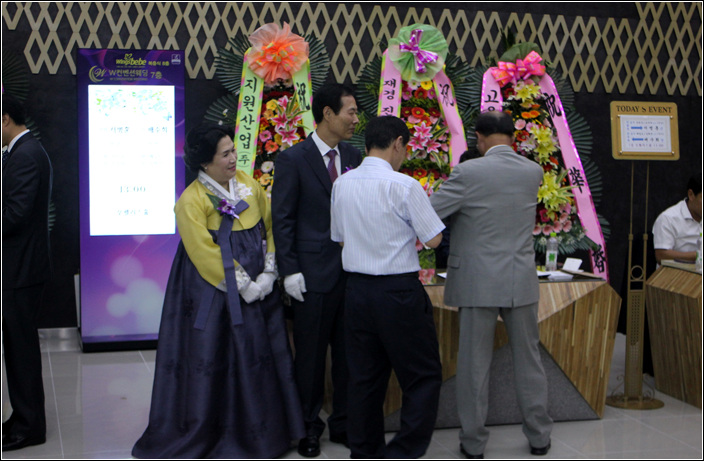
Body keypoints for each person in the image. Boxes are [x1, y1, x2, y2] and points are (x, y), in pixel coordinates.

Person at [132, 123, 304, 459]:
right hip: (212, 291)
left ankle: (268, 432)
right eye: (225, 154)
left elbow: (269, 227)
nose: (233, 159)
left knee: (262, 355)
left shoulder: (248, 185)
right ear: (205, 163)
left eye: (233, 151)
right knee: (216, 354)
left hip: (261, 287)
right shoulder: (191, 201)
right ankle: (217, 432)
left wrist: (269, 271)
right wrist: (243, 285)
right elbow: (203, 252)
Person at [429, 111, 553, 459]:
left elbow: (431, 211)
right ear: (512, 137)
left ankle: (473, 444)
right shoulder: (533, 171)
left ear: (480, 138)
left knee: (474, 366)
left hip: (476, 280)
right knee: (529, 360)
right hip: (520, 278)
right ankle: (539, 437)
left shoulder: (469, 172)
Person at [330, 115, 444, 459]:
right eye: (405, 149)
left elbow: (340, 239)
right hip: (398, 293)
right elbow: (434, 239)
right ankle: (401, 453)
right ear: (398, 143)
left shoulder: (342, 184)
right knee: (422, 376)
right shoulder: (404, 185)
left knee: (364, 379)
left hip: (356, 292)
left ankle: (364, 452)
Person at [271, 83, 362, 457]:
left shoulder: (354, 156)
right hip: (310, 275)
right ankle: (308, 427)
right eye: (350, 112)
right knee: (309, 359)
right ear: (327, 113)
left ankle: (344, 423)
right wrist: (289, 271)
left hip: (352, 273)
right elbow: (283, 220)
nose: (356, 120)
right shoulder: (294, 159)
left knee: (348, 356)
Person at [2, 93, 53, 452]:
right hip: (18, 266)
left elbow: (15, 214)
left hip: (20, 268)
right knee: (17, 348)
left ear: (5, 119)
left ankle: (29, 427)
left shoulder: (26, 155)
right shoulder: (20, 151)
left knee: (21, 351)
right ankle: (21, 417)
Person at [652, 174, 702, 264]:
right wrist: (698, 256)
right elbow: (661, 255)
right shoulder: (668, 218)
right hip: (676, 271)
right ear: (691, 195)